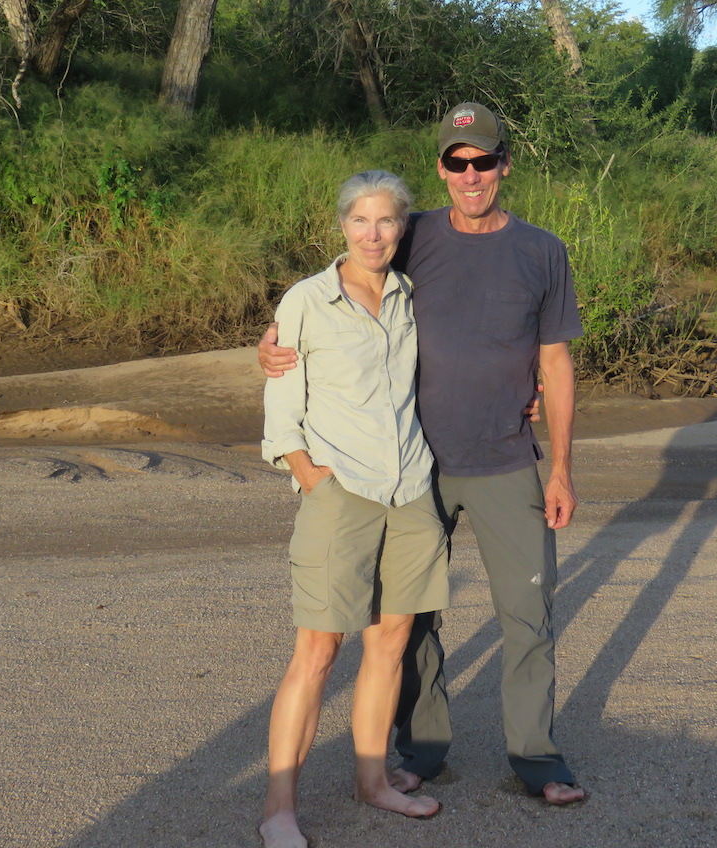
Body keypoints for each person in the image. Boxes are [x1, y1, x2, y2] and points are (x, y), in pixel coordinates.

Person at [259, 103, 586, 806]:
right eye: (456, 163)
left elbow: (555, 364)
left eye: (484, 161)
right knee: (410, 625)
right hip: (415, 468)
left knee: (528, 613)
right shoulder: (415, 236)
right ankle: (422, 754)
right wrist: (272, 339)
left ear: (504, 164)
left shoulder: (542, 250)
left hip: (505, 460)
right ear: (441, 168)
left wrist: (559, 467)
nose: (471, 176)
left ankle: (537, 760)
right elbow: (342, 280)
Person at [259, 170, 451, 848]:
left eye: (387, 222)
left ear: (402, 228)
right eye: (361, 221)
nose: (374, 234)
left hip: (411, 493)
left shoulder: (411, 297)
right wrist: (315, 481)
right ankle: (278, 808)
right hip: (341, 494)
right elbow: (281, 414)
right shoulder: (306, 301)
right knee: (316, 651)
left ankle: (372, 782)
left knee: (391, 642)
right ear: (341, 224)